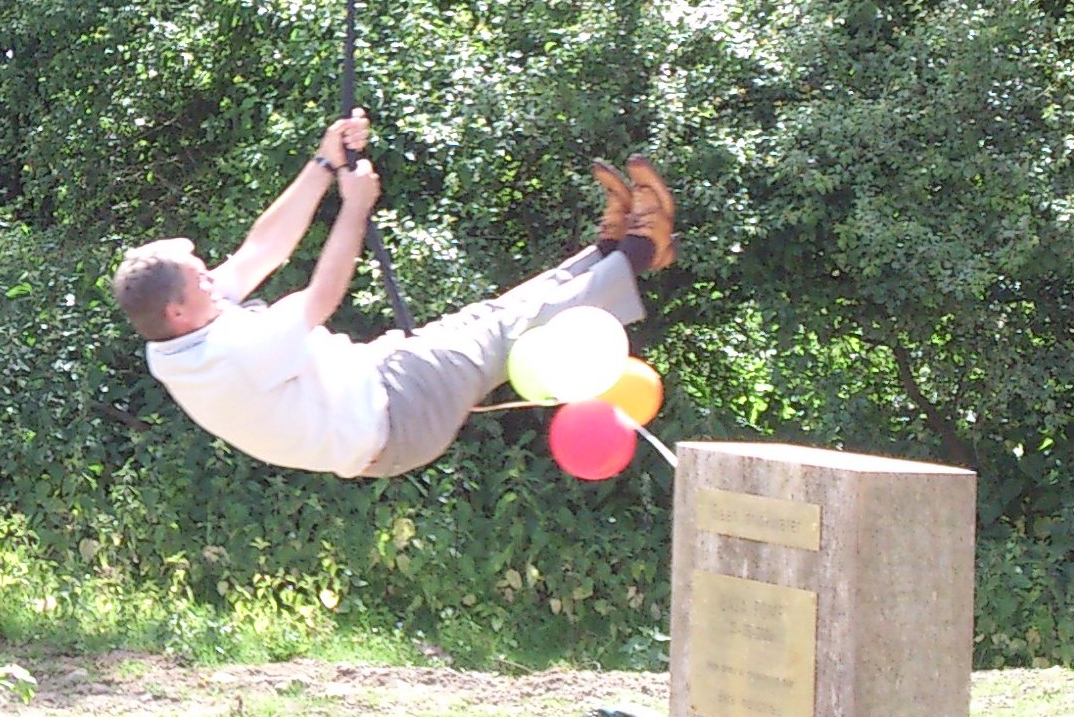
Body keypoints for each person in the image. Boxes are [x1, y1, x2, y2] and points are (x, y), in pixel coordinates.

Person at [112, 111, 675, 478]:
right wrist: (354, 206)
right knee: (505, 332)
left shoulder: (175, 337)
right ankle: (643, 251)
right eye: (200, 275)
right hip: (395, 413)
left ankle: (611, 251)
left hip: (381, 399)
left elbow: (263, 251)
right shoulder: (228, 353)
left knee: (497, 318)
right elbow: (322, 297)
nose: (213, 273)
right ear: (178, 310)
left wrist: (324, 162)